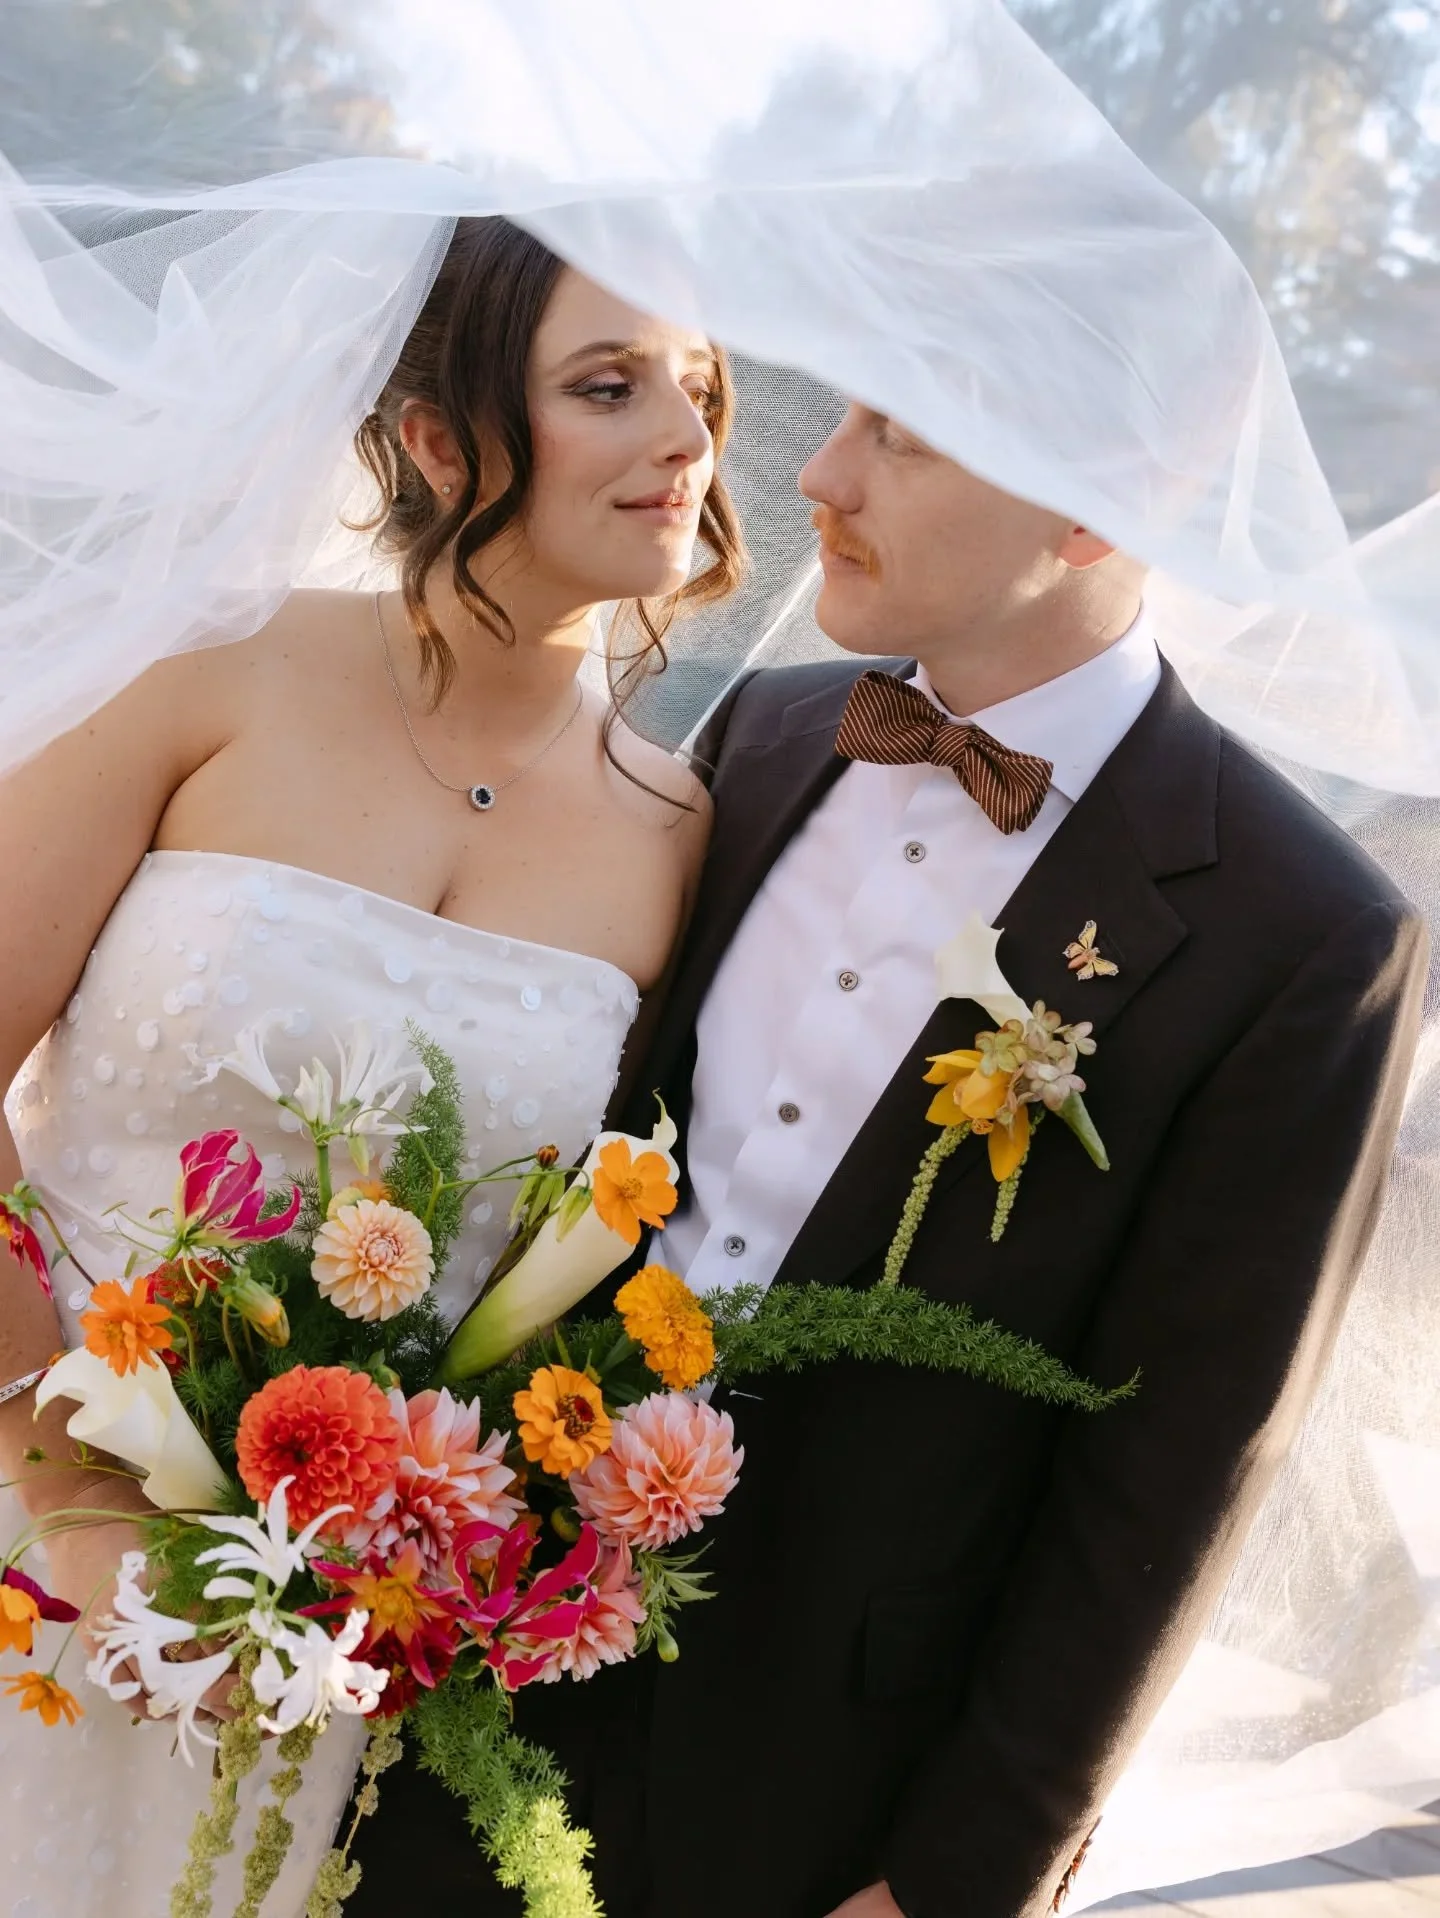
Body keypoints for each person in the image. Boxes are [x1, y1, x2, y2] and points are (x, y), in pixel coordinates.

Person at [0, 214, 741, 1918]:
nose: (687, 440)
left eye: (696, 388)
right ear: (436, 434)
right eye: (608, 387)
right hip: (30, 1515)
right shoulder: (208, 668)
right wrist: (68, 1483)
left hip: (331, 1646)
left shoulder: (674, 824)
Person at [595, 400, 1424, 1918]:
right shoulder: (765, 735)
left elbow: (1179, 1460)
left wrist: (962, 1874)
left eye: (902, 434)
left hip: (837, 1788)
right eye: (845, 413)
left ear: (1107, 497)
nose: (820, 473)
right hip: (500, 1656)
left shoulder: (1308, 934)